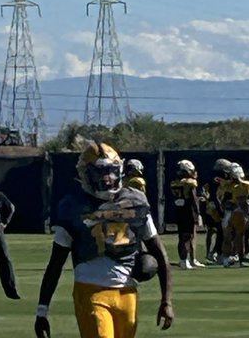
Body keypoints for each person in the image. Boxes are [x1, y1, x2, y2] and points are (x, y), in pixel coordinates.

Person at [34, 140, 174, 337]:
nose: (106, 178)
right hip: (90, 291)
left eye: (110, 171)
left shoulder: (135, 202)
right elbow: (55, 263)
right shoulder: (74, 206)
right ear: (85, 174)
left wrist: (166, 300)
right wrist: (42, 309)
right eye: (99, 172)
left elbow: (160, 254)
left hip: (127, 293)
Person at [170, 159, 203, 270]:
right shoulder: (189, 183)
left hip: (179, 210)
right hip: (188, 211)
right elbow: (193, 199)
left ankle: (185, 259)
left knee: (183, 236)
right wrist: (198, 212)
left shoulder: (174, 182)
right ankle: (184, 260)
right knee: (187, 236)